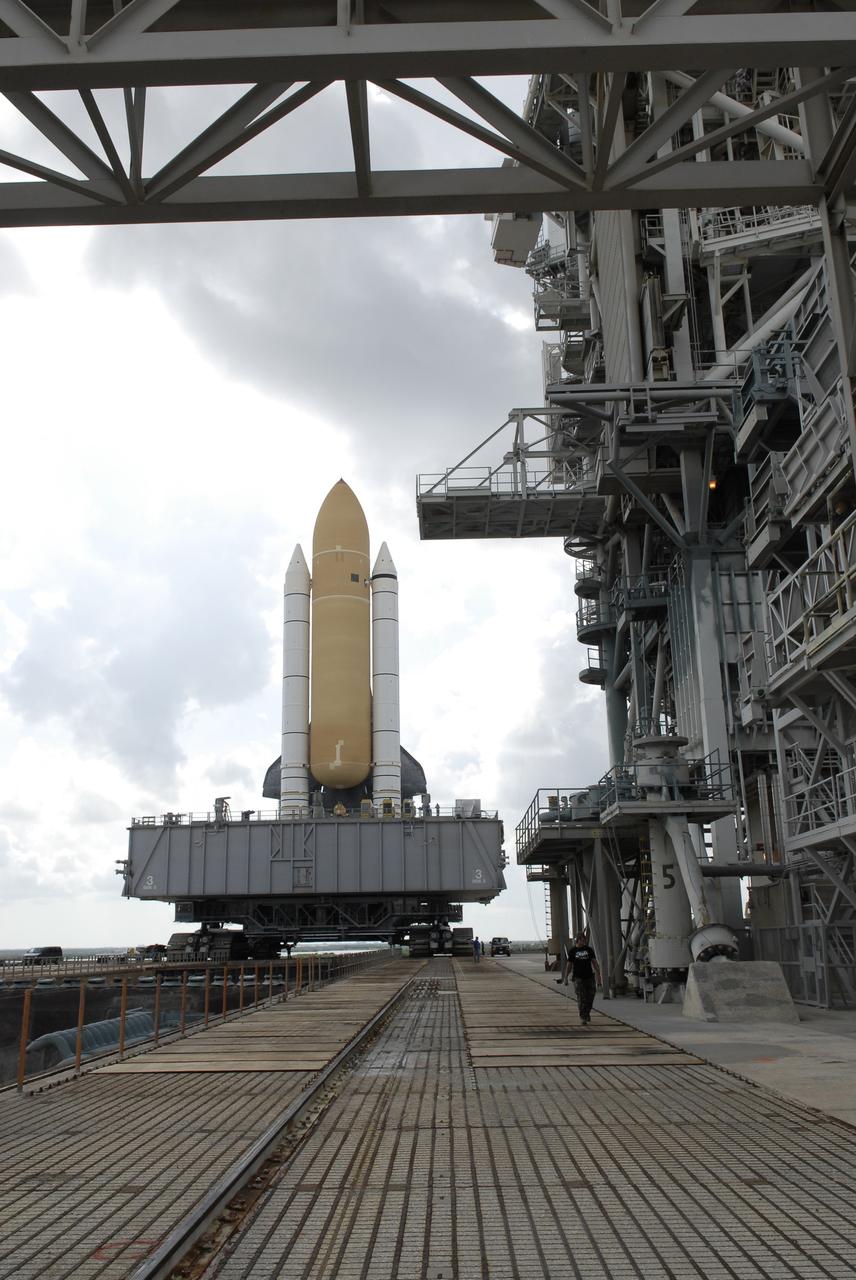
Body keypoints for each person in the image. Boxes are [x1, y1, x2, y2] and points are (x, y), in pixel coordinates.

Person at [568, 933, 600, 1025]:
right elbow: (569, 965)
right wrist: (566, 977)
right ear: (577, 940)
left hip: (589, 977)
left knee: (590, 997)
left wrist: (599, 974)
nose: (584, 941)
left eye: (584, 940)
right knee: (581, 998)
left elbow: (594, 962)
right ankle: (583, 1017)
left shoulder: (589, 950)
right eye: (582, 940)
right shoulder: (573, 951)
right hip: (578, 978)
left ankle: (587, 1013)